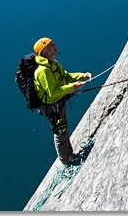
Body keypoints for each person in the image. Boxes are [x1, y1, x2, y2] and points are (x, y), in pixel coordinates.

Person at [32, 37, 91, 165]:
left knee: (64, 127)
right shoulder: (43, 71)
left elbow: (66, 76)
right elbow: (52, 92)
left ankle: (69, 154)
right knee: (60, 131)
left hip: (58, 101)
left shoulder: (53, 64)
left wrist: (82, 75)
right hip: (51, 106)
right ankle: (66, 159)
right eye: (51, 45)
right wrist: (73, 86)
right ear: (45, 51)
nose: (55, 46)